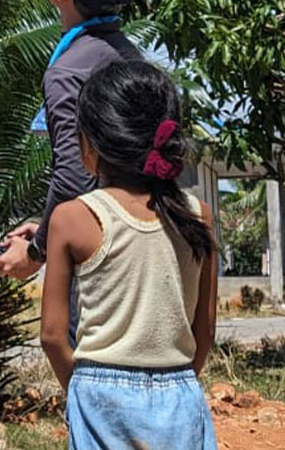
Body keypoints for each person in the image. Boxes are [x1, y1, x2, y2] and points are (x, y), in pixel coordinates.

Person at [40, 60, 218, 449]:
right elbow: (203, 333)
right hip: (180, 394)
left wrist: (86, 388)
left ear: (89, 143)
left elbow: (53, 336)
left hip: (100, 394)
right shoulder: (199, 216)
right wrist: (174, 381)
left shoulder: (72, 218)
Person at [0, 0, 143, 286]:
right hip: (143, 237)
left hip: (98, 258)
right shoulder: (132, 57)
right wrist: (46, 224)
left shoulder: (69, 70)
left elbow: (74, 174)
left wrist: (37, 251)